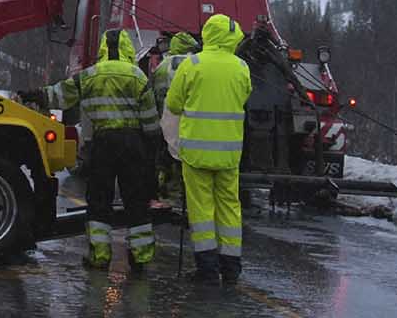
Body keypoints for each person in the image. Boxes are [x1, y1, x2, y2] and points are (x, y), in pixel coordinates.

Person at [45, 28, 162, 269]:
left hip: (103, 143)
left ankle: (100, 256)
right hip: (132, 144)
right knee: (136, 201)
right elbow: (150, 121)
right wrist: (154, 147)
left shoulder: (90, 75)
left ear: (103, 49)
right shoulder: (138, 77)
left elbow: (59, 95)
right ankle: (140, 257)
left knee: (99, 201)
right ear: (128, 48)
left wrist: (33, 96)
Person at [167, 14, 251, 284]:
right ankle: (231, 267)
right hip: (229, 154)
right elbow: (245, 96)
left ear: (207, 34)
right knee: (229, 207)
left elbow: (174, 104)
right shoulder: (241, 67)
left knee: (201, 210)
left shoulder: (192, 65)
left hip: (196, 154)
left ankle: (207, 268)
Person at [148, 30, 201, 206]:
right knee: (184, 161)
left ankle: (164, 194)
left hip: (165, 119)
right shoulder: (195, 64)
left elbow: (154, 93)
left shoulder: (162, 67)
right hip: (190, 122)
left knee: (163, 159)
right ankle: (184, 197)